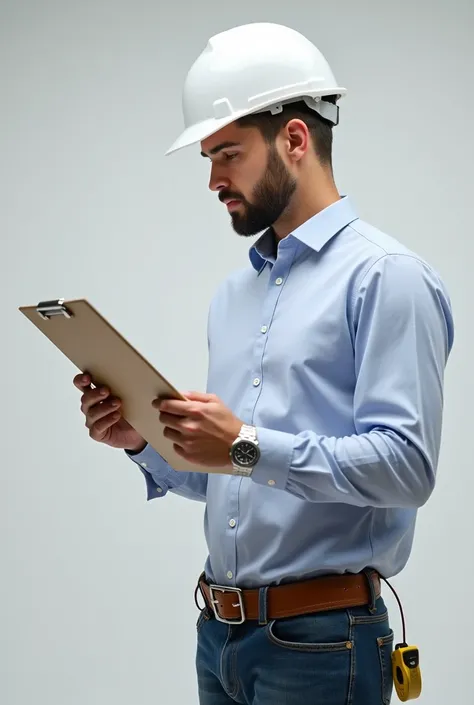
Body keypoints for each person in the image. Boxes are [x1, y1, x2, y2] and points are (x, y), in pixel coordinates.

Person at [74, 22, 454, 705]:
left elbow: (407, 468)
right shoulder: (235, 295)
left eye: (228, 154)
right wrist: (144, 442)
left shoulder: (388, 278)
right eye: (209, 160)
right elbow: (237, 476)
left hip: (322, 643)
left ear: (296, 141)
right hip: (218, 639)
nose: (214, 179)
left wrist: (243, 445)